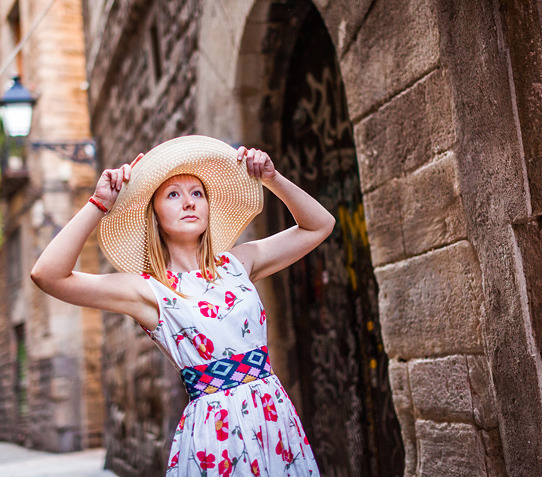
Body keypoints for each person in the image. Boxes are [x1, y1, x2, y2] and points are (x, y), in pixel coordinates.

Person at [31, 135, 334, 476]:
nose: (189, 203)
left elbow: (319, 225)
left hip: (273, 419)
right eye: (173, 194)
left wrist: (271, 178)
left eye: (197, 193)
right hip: (216, 438)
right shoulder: (149, 291)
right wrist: (98, 204)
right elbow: (48, 275)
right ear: (155, 215)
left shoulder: (239, 263)